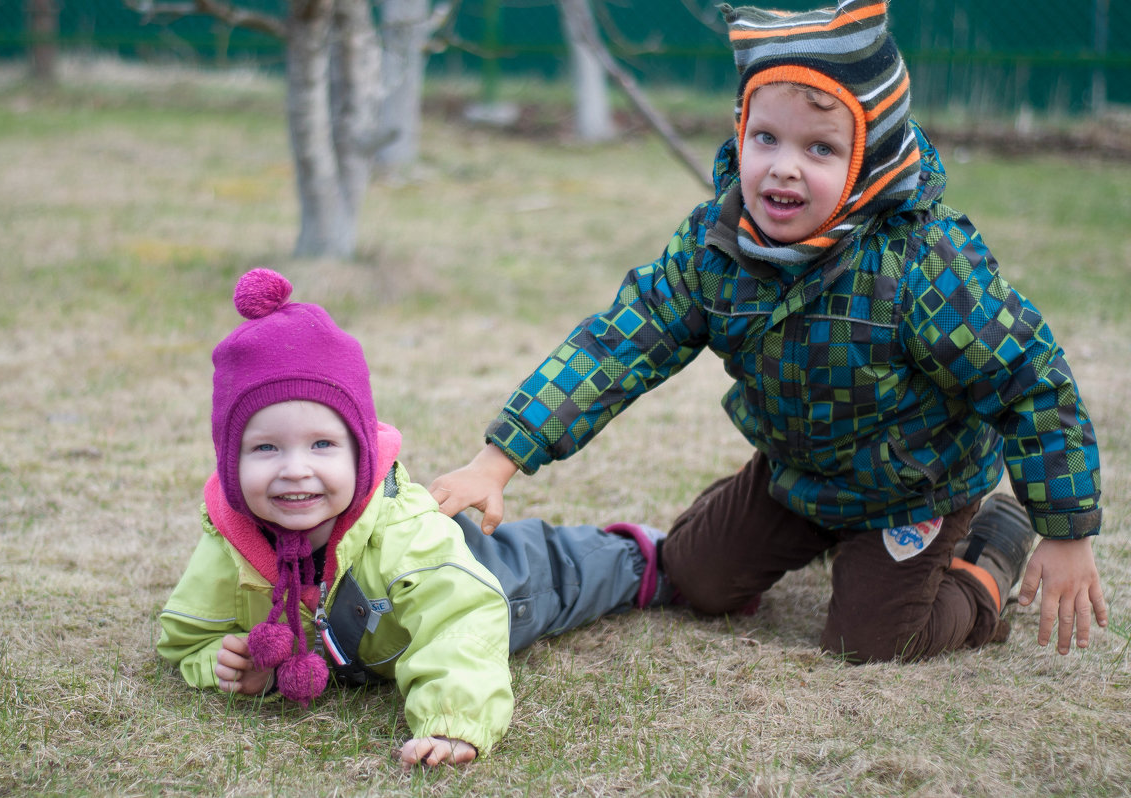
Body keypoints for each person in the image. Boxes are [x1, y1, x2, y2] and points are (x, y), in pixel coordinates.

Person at [431, 0, 1107, 664]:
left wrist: (1066, 528)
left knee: (874, 640)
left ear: (872, 161)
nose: (784, 166)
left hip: (914, 492)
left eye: (819, 148)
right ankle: (793, 537)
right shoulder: (717, 246)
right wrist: (500, 458)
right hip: (799, 475)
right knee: (696, 580)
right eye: (766, 138)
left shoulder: (919, 261)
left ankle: (987, 560)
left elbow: (1030, 379)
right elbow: (619, 344)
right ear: (739, 131)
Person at [157, 268, 668, 769]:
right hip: (373, 641)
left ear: (360, 451)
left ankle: (642, 555)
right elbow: (190, 636)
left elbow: (460, 622)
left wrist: (451, 720)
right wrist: (240, 669)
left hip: (492, 584)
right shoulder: (230, 538)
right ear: (229, 459)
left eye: (322, 444)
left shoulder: (405, 532)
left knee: (561, 571)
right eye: (265, 447)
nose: (296, 469)